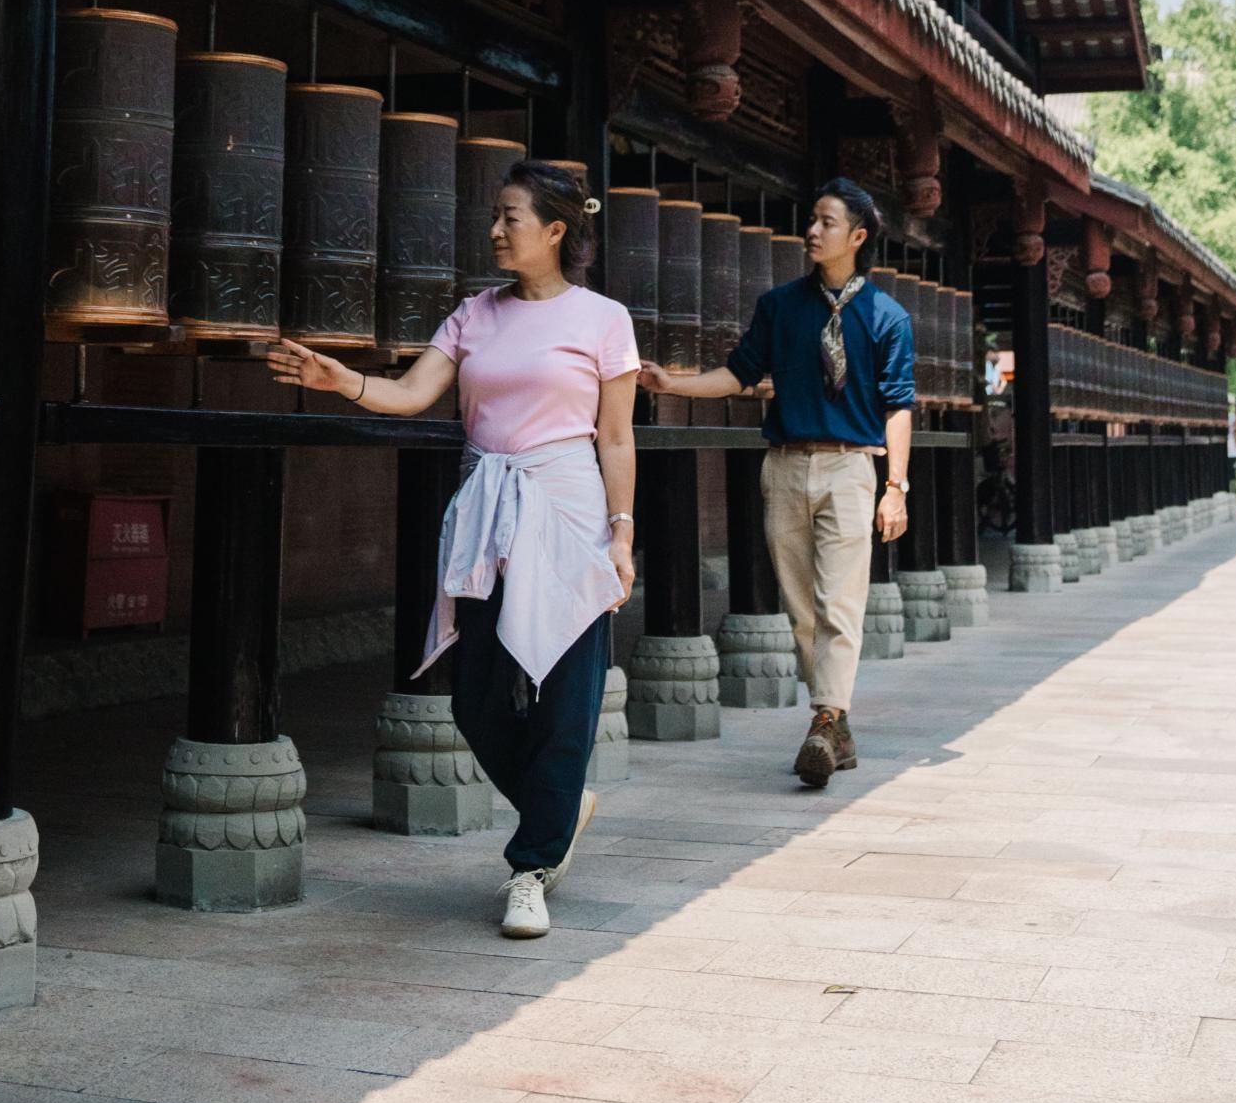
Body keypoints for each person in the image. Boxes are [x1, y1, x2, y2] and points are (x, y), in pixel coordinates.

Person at [267, 158, 637, 940]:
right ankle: (560, 806)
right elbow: (410, 393)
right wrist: (344, 381)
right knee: (473, 699)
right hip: (487, 517)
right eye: (497, 217)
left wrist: (622, 531)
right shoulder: (474, 313)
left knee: (568, 701)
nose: (496, 230)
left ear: (556, 230)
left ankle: (531, 868)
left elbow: (614, 436)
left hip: (569, 517)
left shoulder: (604, 319)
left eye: (511, 217)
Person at [640, 177, 912, 791]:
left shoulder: (888, 318)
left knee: (840, 603)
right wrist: (672, 383)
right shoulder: (780, 306)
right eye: (811, 220)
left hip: (850, 468)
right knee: (800, 609)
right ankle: (835, 726)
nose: (812, 231)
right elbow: (738, 374)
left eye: (826, 222)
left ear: (858, 236)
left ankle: (823, 719)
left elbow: (899, 405)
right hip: (784, 466)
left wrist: (896, 486)